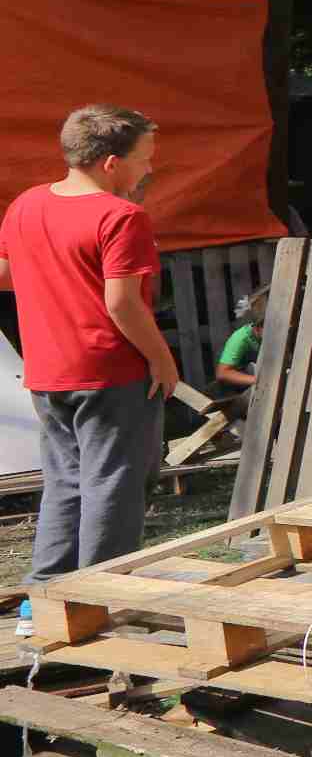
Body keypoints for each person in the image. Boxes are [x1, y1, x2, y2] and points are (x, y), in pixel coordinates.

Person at [0, 105, 177, 583]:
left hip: (47, 372)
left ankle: (46, 591)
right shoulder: (122, 216)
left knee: (65, 482)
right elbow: (121, 303)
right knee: (113, 485)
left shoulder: (27, 204)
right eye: (144, 158)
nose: (149, 169)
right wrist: (162, 360)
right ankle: (102, 597)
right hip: (110, 372)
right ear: (111, 163)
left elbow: (5, 273)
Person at [214, 287, 269, 416]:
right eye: (266, 326)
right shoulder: (240, 339)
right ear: (257, 327)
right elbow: (222, 373)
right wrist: (256, 380)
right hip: (237, 390)